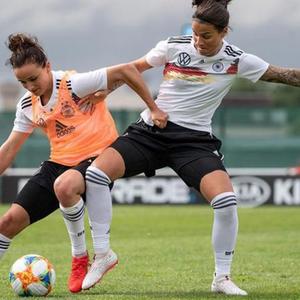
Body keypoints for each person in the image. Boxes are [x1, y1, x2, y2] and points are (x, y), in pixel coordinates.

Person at [73, 0, 300, 296]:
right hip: (152, 132)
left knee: (226, 201)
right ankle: (103, 254)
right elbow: (133, 69)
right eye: (195, 34)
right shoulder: (172, 46)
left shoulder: (237, 59)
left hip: (193, 142)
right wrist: (107, 89)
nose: (198, 42)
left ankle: (222, 278)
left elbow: (287, 76)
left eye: (206, 36)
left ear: (224, 32)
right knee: (96, 175)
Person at [0, 33, 168, 294]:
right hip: (58, 162)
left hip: (97, 159)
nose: (30, 86)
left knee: (65, 186)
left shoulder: (74, 84)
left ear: (47, 66)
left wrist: (153, 108)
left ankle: (80, 258)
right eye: (23, 82)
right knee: (7, 223)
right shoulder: (27, 104)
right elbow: (9, 149)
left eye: (33, 79)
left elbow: (126, 70)